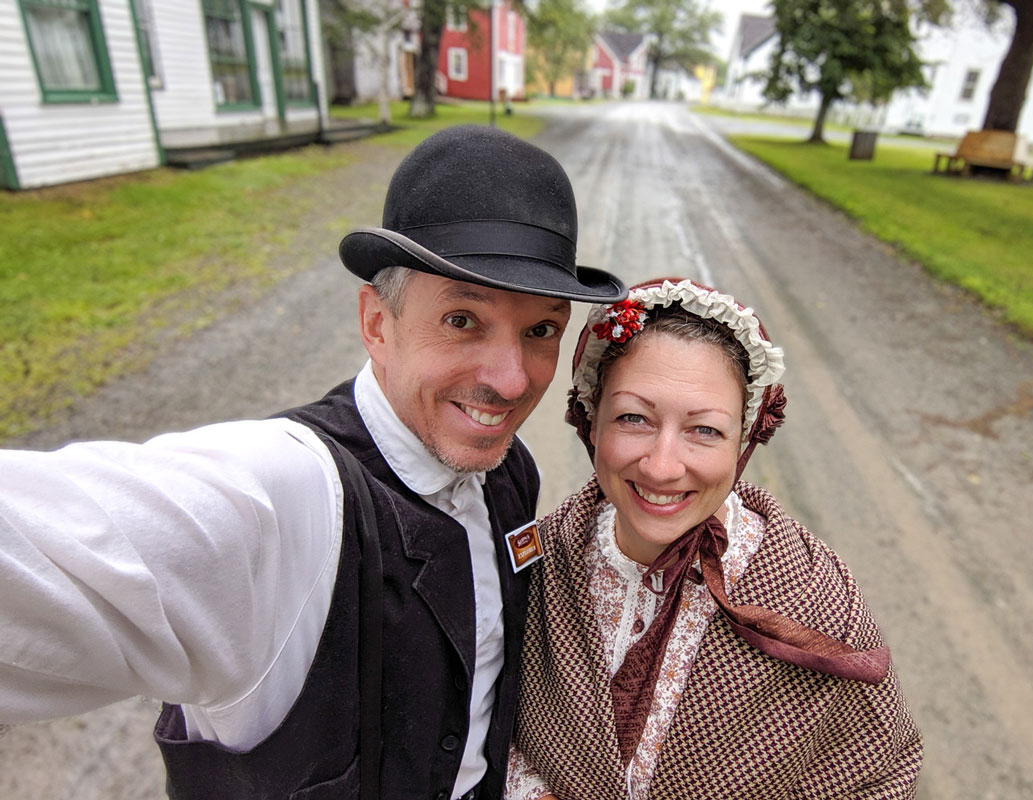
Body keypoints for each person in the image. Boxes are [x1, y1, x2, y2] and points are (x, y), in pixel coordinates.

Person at [0, 125, 626, 800]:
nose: (510, 381)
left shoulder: (512, 469)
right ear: (377, 324)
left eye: (540, 330)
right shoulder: (283, 500)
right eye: (462, 319)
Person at [505, 278, 921, 800]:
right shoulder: (543, 565)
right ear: (592, 422)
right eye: (633, 418)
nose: (661, 466)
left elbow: (875, 775)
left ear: (743, 441)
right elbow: (485, 725)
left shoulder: (814, 599)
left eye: (704, 430)